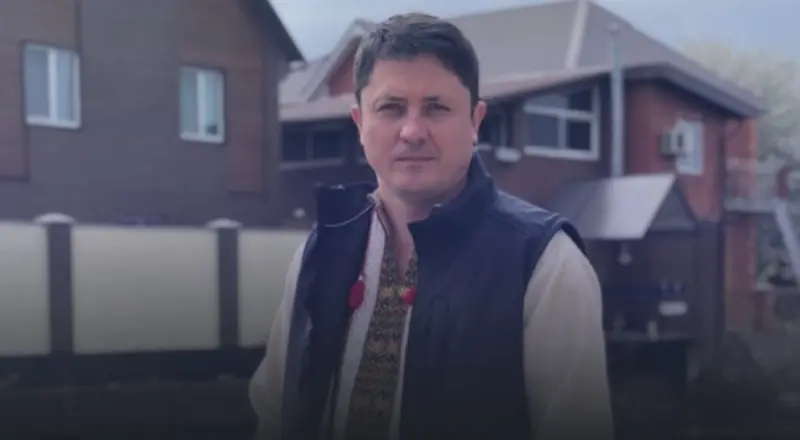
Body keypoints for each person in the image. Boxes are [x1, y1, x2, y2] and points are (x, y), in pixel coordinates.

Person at [249, 12, 613, 440]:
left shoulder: (544, 263)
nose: (412, 131)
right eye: (391, 108)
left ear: (475, 122)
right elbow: (275, 412)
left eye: (436, 108)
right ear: (360, 123)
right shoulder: (325, 248)